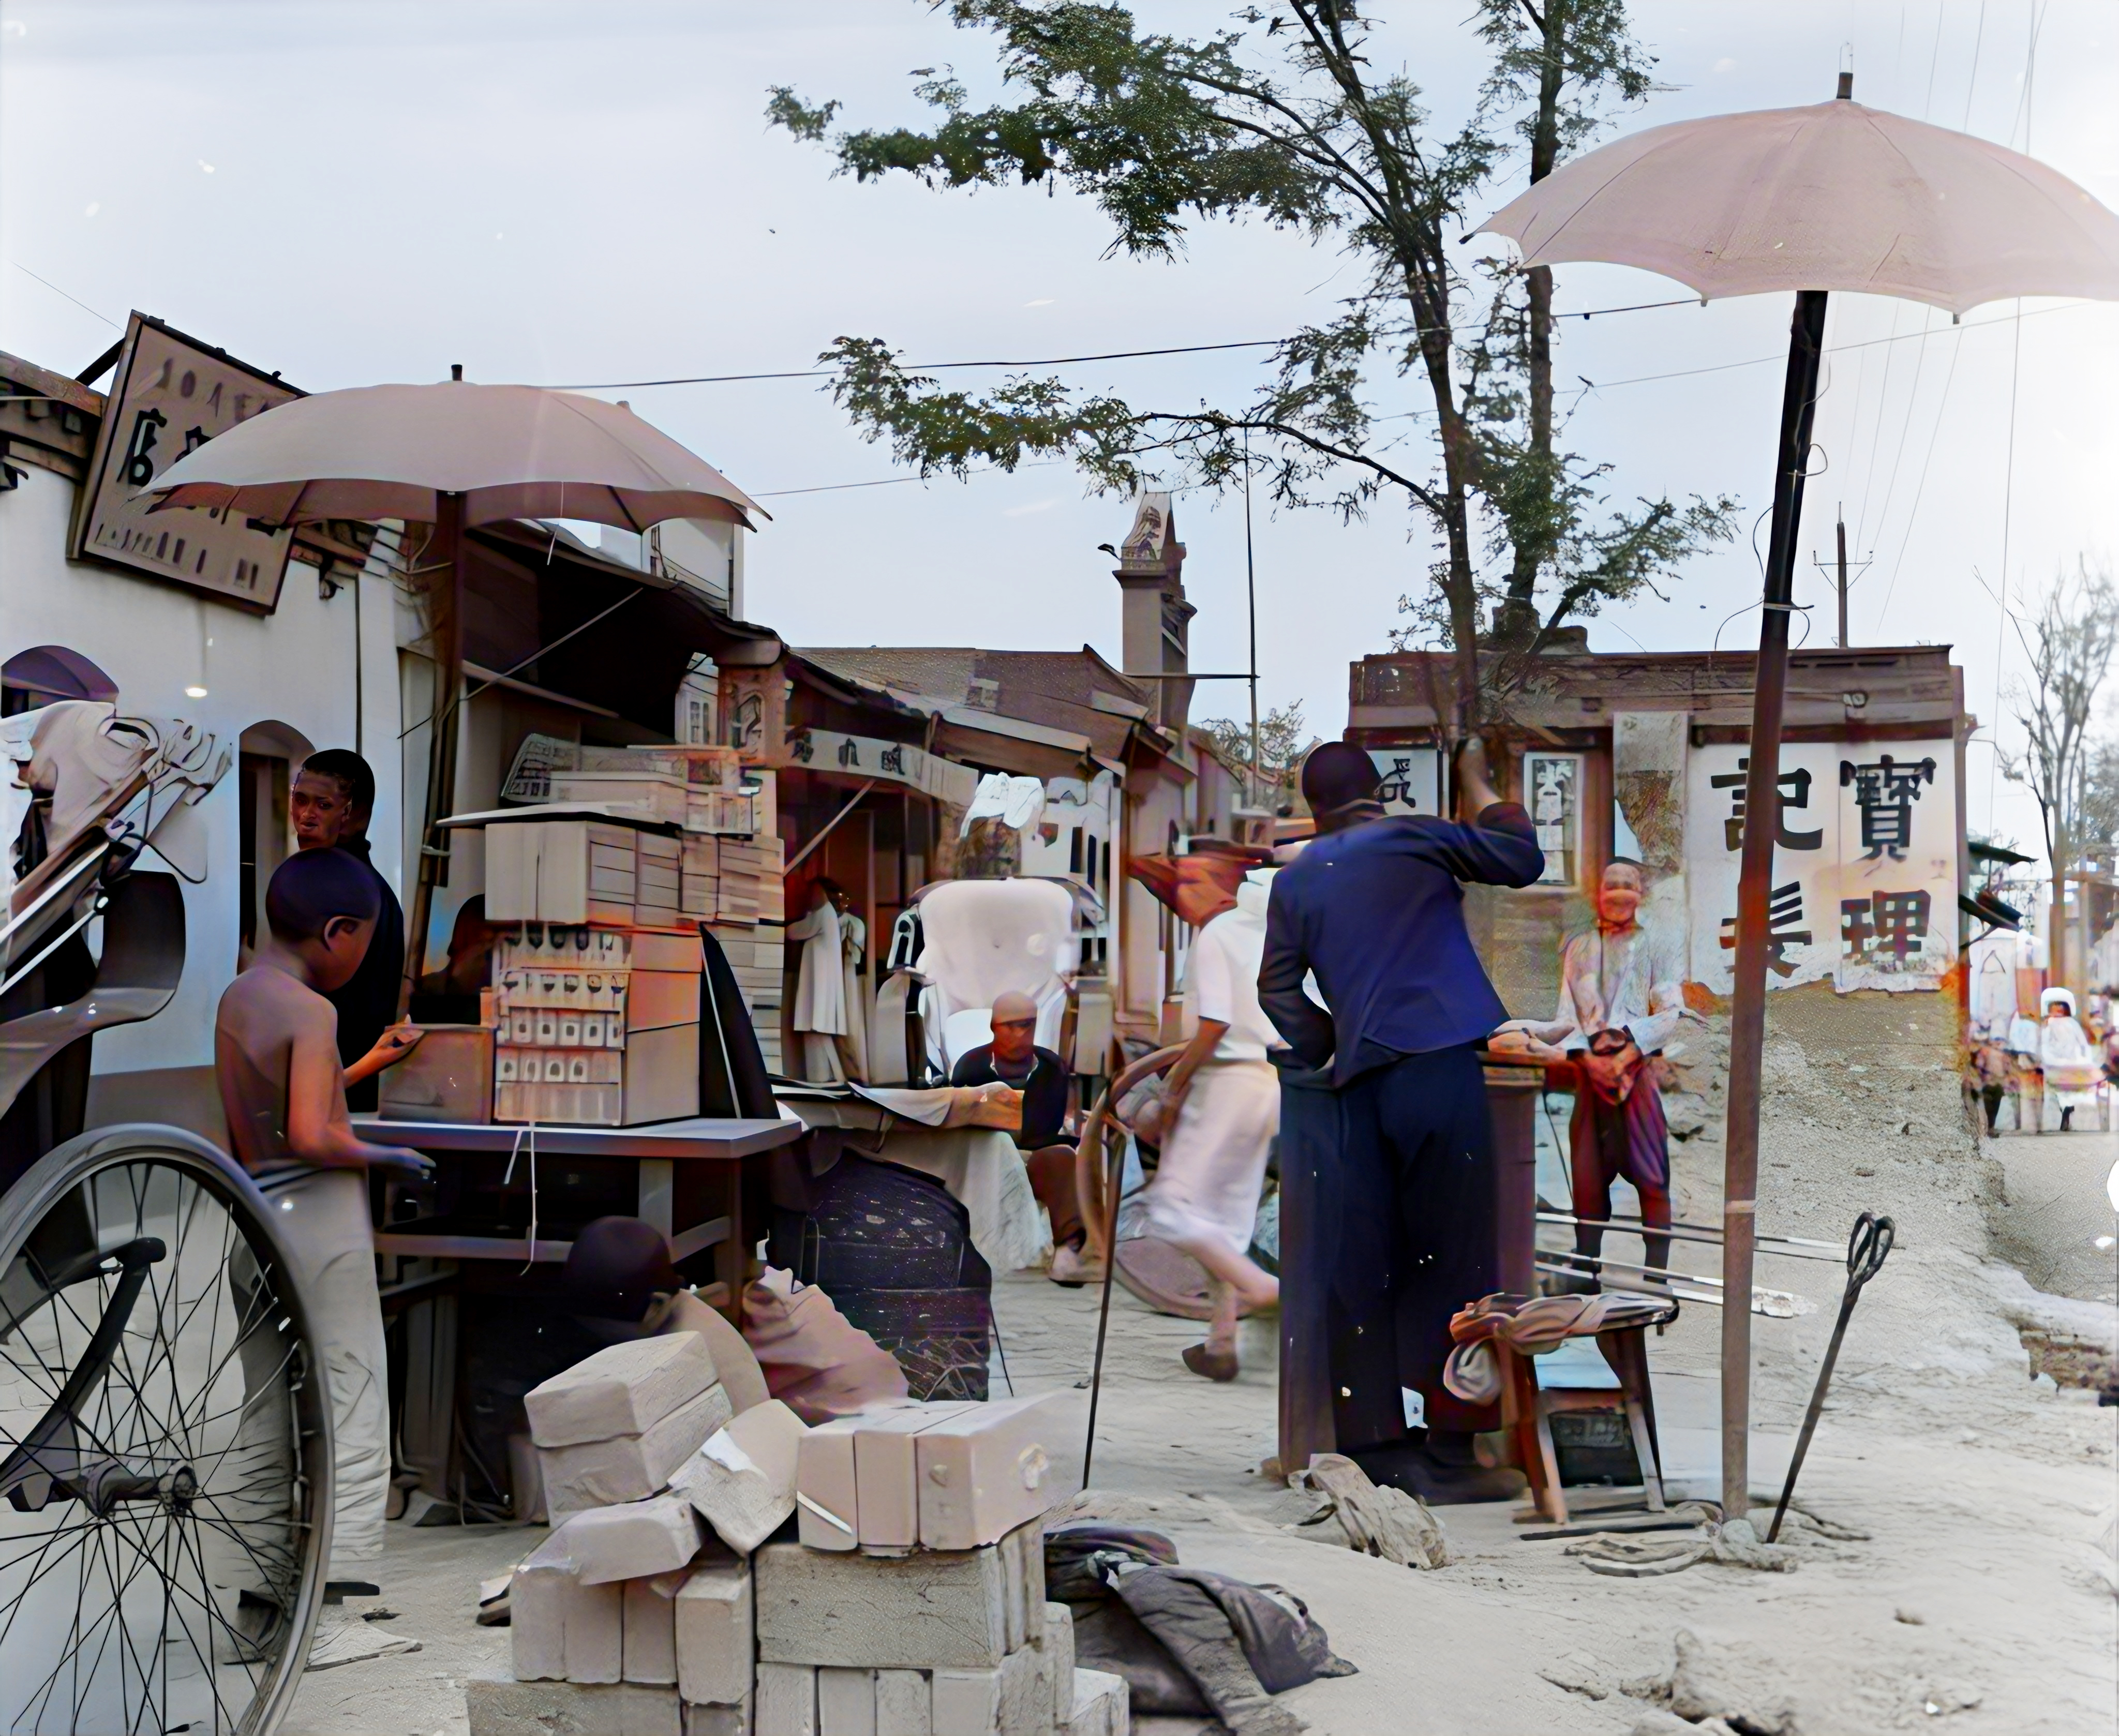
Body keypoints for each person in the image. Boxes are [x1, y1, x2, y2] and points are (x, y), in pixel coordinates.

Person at [1258, 738, 1543, 1502]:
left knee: (1365, 1265)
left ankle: (1377, 1450)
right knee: (1454, 1257)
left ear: (1312, 804)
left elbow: (1280, 993)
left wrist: (1336, 1041)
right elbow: (1520, 858)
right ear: (1377, 790)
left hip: (1359, 1087)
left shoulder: (1294, 880)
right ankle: (1452, 1452)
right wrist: (1479, 779)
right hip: (1437, 1067)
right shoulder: (1414, 834)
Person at [215, 847, 434, 1589]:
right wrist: (392, 1156)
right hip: (316, 1219)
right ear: (339, 932)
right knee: (351, 1395)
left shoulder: (243, 994)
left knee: (265, 1408)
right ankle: (344, 1595)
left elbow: (287, 1104)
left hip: (255, 1215)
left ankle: (259, 1589)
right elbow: (312, 1135)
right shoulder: (314, 1010)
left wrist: (369, 1063)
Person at [1494, 858, 1685, 1284]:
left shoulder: (1657, 943)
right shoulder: (1579, 948)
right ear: (1598, 894)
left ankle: (1657, 1278)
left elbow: (1671, 1011)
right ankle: (1587, 1267)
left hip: (1634, 1073)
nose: (1619, 893)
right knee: (1588, 1180)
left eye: (1628, 885)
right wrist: (1527, 1031)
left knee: (1652, 1180)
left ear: (1641, 894)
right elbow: (1567, 1020)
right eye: (1611, 885)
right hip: (1589, 1073)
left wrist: (1627, 1051)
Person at [1150, 864, 1282, 1382]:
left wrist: (1172, 1085)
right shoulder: (1293, 932)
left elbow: (1214, 1024)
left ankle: (1263, 1288)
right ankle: (1221, 1339)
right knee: (1223, 1217)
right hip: (1289, 1080)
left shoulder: (1219, 932)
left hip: (1234, 1080)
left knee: (1173, 1207)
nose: (1183, 893)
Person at [292, 749, 417, 1111]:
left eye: (323, 805)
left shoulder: (341, 890)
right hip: (346, 1089)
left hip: (334, 1092)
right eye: (300, 800)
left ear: (355, 814)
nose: (305, 817)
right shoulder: (362, 886)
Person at [949, 990, 1085, 1279]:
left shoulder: (1052, 1066)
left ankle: (1069, 1249)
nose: (1018, 1035)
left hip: (1035, 1151)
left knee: (1062, 1158)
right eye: (1009, 1026)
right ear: (993, 1027)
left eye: (1026, 1025)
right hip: (987, 1153)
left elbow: (1059, 1121)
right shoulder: (970, 1067)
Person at [2038, 989, 2100, 1131]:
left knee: (2072, 1093)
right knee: (2057, 1094)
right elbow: (2045, 1045)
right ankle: (2060, 1117)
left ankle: (2068, 1114)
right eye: (2055, 1007)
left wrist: (2085, 1060)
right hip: (2055, 1064)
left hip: (2072, 1064)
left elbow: (2083, 1044)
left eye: (2061, 1007)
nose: (2058, 1010)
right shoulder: (2049, 1025)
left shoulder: (2072, 1024)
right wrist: (2049, 1061)